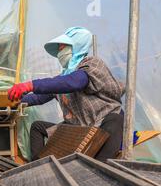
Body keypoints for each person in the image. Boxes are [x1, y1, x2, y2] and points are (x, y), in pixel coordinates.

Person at [8, 27, 125, 161]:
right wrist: (18, 100)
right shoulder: (64, 77)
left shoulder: (92, 64)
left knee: (115, 120)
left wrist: (30, 85)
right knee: (37, 127)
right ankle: (39, 166)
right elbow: (40, 97)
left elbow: (76, 82)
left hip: (101, 124)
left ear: (77, 46)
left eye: (62, 47)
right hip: (79, 129)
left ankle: (100, 168)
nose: (59, 52)